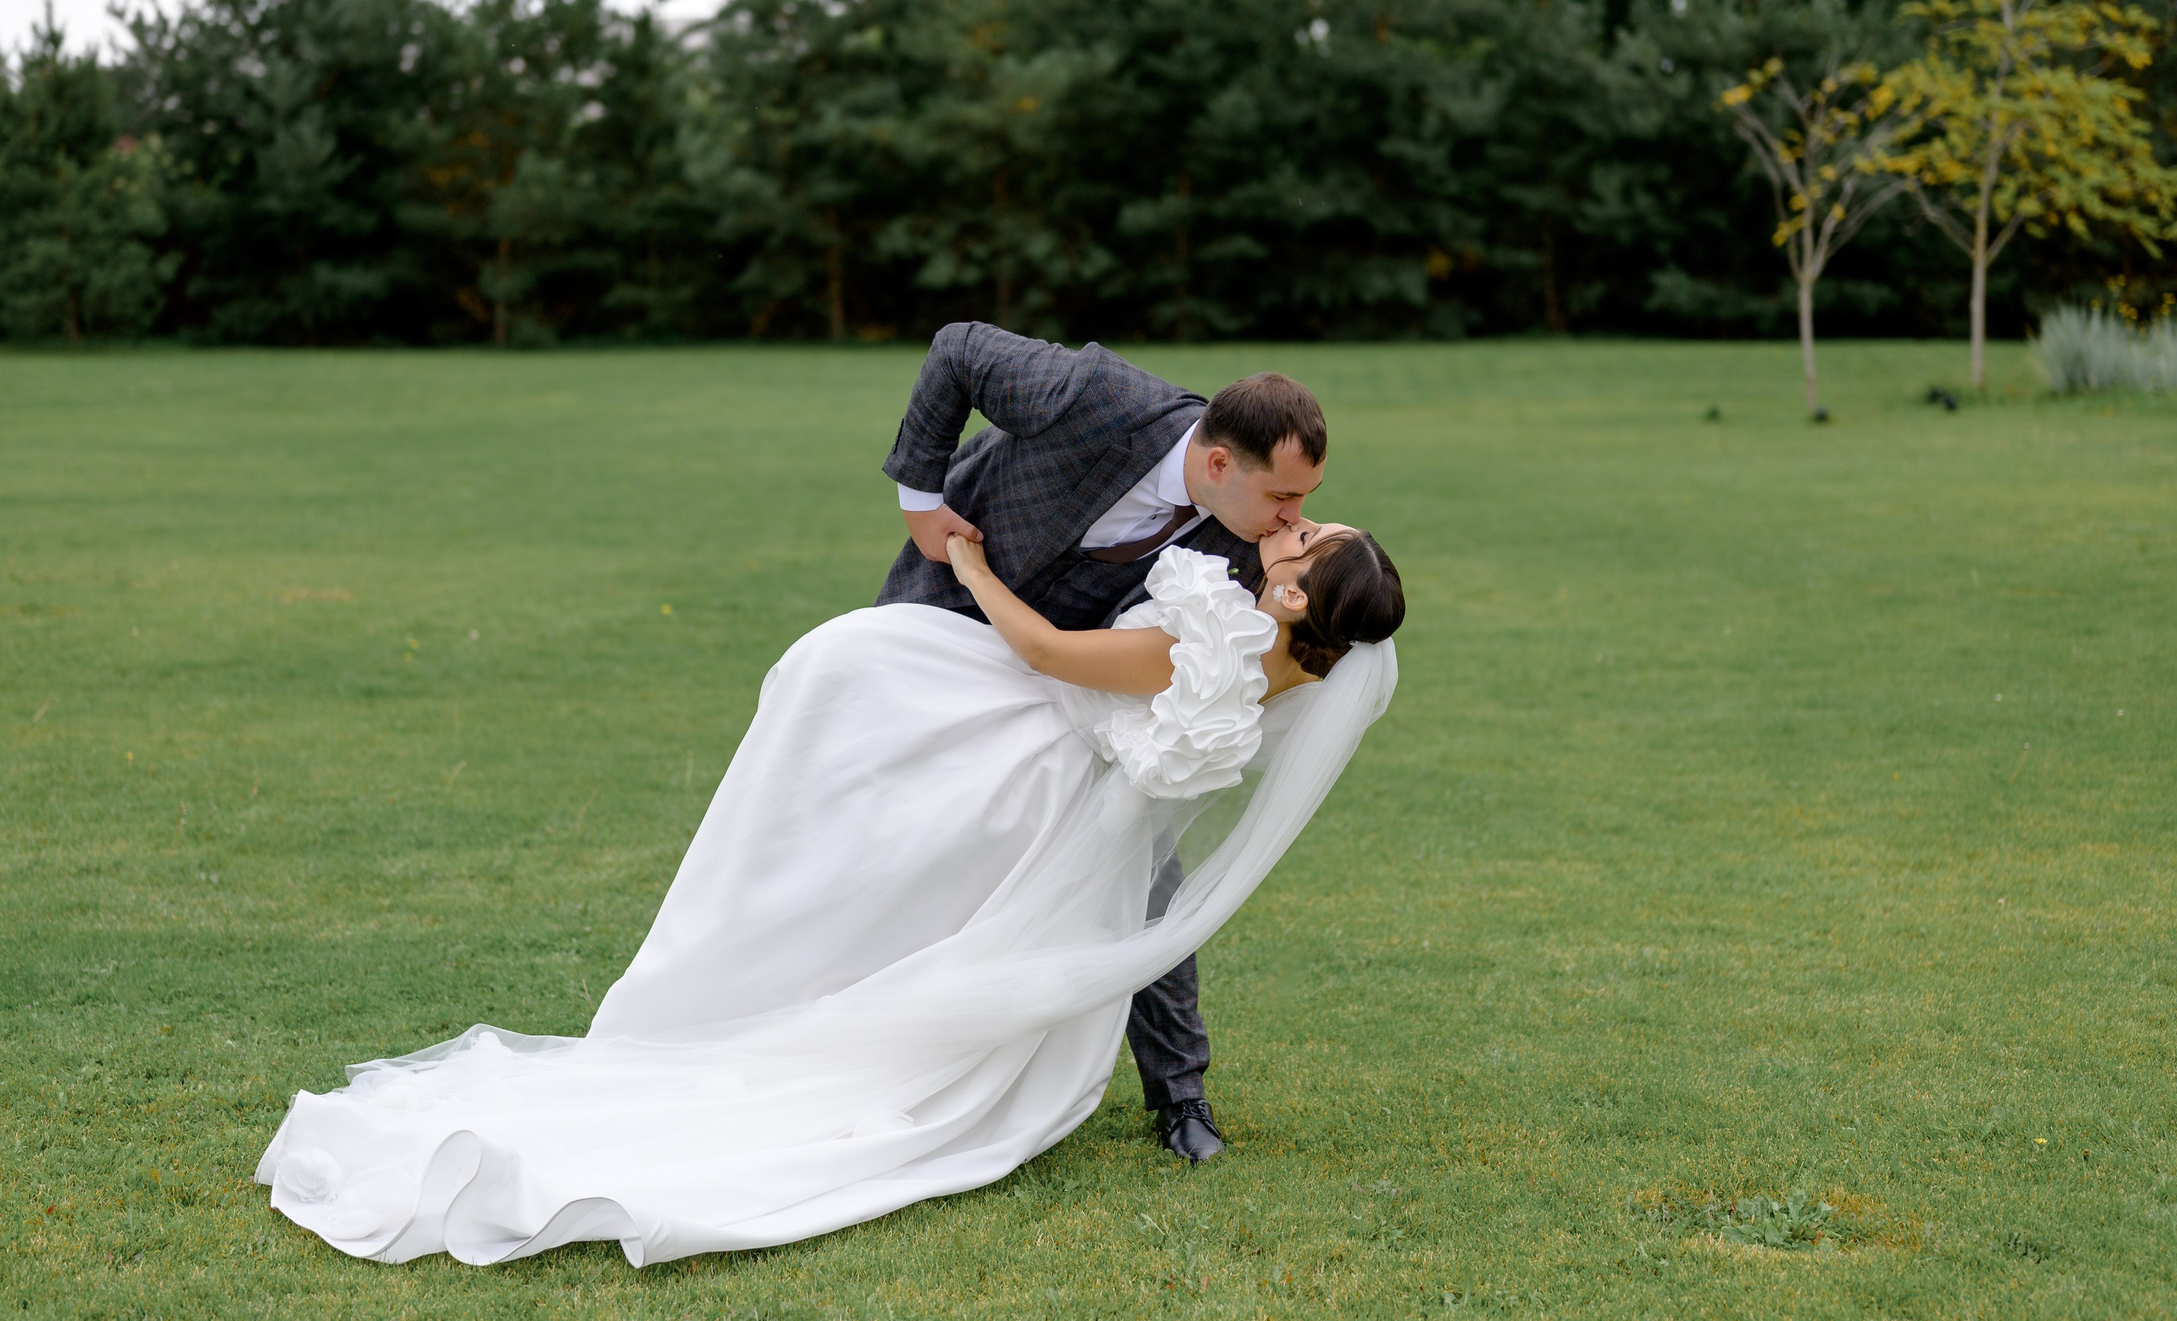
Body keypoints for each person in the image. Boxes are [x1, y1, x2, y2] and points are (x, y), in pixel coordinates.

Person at [253, 496, 1404, 1268]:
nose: (1289, 527)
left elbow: (1051, 653)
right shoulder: (1297, 680)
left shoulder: (1211, 649)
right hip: (1078, 804)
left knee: (850, 702)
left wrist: (967, 564)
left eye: (1302, 543)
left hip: (1033, 758)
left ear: (1294, 598)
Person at [877, 322, 1327, 1160]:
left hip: (1075, 687)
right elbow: (957, 350)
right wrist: (920, 499)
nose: (1293, 518)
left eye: (1303, 503)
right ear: (1220, 463)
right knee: (899, 829)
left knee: (1142, 855)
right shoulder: (1099, 396)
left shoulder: (1252, 543)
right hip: (941, 613)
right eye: (1283, 500)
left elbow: (1322, 602)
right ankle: (878, 1040)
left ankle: (1180, 1096)